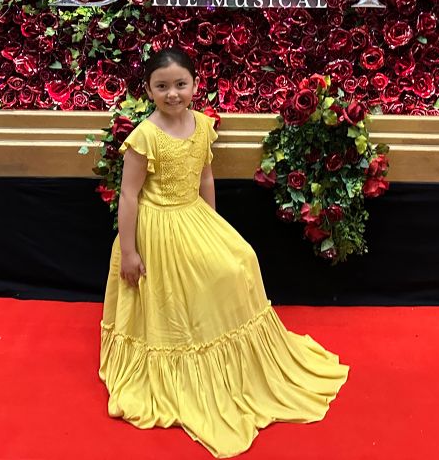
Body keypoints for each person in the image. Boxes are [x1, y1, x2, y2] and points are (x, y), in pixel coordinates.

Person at [99, 47, 349, 458]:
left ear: (195, 85)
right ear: (148, 90)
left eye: (181, 84)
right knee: (188, 288)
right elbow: (128, 195)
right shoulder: (144, 137)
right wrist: (129, 251)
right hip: (157, 226)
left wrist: (213, 228)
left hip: (194, 215)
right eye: (162, 86)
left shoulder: (202, 125)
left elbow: (205, 177)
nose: (173, 93)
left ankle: (245, 363)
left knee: (239, 261)